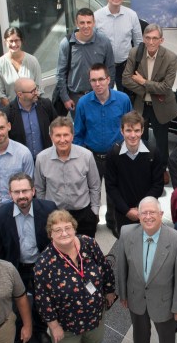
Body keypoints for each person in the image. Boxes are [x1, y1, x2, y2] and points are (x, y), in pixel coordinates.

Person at [33, 210, 117, 343]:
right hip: (66, 322)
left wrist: (109, 290)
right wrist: (53, 325)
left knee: (94, 342)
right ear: (50, 234)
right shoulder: (44, 263)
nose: (63, 233)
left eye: (67, 228)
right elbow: (42, 298)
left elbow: (104, 267)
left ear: (74, 228)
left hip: (94, 312)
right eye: (57, 230)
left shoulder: (88, 243)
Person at [111, 197, 177, 343]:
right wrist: (123, 294)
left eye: (152, 212)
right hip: (136, 296)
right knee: (139, 332)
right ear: (138, 216)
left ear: (161, 214)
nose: (148, 217)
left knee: (166, 336)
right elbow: (121, 267)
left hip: (164, 300)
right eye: (144, 213)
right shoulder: (126, 233)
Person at [0, 173, 57, 343]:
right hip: (15, 267)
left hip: (41, 265)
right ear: (10, 194)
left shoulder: (49, 208)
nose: (22, 196)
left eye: (25, 191)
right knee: (17, 305)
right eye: (17, 192)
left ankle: (40, 330)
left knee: (41, 301)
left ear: (33, 191)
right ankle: (21, 340)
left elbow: (56, 240)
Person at [74, 63, 130, 231]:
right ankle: (91, 223)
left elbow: (130, 126)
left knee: (115, 193)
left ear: (108, 80)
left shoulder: (123, 100)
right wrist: (78, 158)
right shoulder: (83, 103)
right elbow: (78, 133)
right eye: (93, 80)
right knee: (92, 192)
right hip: (92, 156)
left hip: (117, 155)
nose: (97, 84)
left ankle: (113, 223)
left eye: (100, 80)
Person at [34, 116, 101, 238]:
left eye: (66, 135)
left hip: (83, 214)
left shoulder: (86, 156)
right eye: (58, 135)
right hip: (55, 215)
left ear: (72, 136)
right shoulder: (41, 158)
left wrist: (94, 212)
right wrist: (45, 213)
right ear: (51, 137)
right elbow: (39, 188)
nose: (62, 139)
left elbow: (95, 186)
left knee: (85, 252)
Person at [122, 23, 177, 160]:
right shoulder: (135, 53)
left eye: (155, 38)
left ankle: (162, 168)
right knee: (140, 138)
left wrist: (143, 82)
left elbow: (166, 88)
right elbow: (125, 79)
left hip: (161, 105)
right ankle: (142, 164)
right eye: (148, 38)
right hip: (140, 104)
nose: (151, 42)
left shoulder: (171, 57)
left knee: (161, 141)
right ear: (143, 38)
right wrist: (147, 89)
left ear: (161, 40)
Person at [105, 111, 166, 237]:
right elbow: (111, 187)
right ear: (122, 131)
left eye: (137, 131)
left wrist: (141, 209)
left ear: (142, 130)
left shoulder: (153, 152)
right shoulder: (113, 154)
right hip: (123, 213)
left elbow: (158, 185)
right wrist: (126, 210)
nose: (133, 135)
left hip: (148, 212)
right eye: (128, 130)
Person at [55, 8, 115, 111]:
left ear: (94, 23)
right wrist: (65, 98)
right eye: (82, 23)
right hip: (76, 98)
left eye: (89, 22)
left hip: (99, 95)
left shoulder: (104, 42)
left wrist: (107, 92)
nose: (86, 26)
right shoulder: (66, 44)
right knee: (81, 127)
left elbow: (110, 68)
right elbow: (61, 73)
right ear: (76, 23)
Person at [93, 0, 142, 88]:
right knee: (104, 94)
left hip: (125, 65)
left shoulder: (131, 15)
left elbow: (138, 42)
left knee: (124, 96)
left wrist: (136, 64)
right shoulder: (96, 16)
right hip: (103, 65)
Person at [5, 77, 53, 162]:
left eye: (36, 89)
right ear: (20, 95)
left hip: (46, 159)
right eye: (32, 91)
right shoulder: (8, 113)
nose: (37, 93)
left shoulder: (46, 105)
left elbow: (56, 126)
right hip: (21, 161)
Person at [0, 26, 42, 108]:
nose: (14, 44)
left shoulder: (32, 61)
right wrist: (13, 110)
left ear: (21, 41)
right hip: (12, 110)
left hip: (33, 107)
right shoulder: (0, 63)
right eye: (11, 41)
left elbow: (39, 88)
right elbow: (0, 93)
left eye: (16, 40)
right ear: (5, 42)